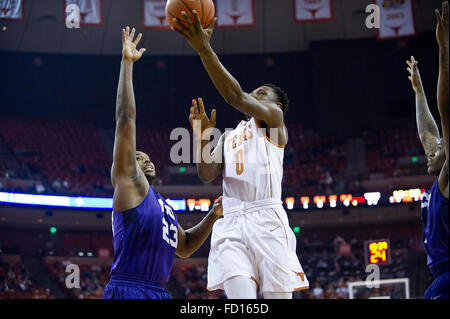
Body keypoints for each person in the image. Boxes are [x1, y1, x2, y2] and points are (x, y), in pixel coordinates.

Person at [174, 12, 309, 299]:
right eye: (255, 92)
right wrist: (201, 140)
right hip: (231, 221)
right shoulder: (228, 136)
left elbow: (234, 97)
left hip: (267, 217)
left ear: (277, 105)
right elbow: (207, 174)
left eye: (262, 93)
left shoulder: (273, 120)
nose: (255, 95)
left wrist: (203, 48)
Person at [103, 26, 223, 299]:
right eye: (137, 157)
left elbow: (186, 246)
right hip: (128, 288)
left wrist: (213, 216)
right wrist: (127, 64)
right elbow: (125, 118)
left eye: (147, 157)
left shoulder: (163, 206)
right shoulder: (128, 182)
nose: (145, 159)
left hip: (159, 292)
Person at [407, 1, 449, 299]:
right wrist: (419, 92)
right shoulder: (439, 176)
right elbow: (427, 134)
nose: (430, 153)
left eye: (438, 151)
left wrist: (444, 51)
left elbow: (446, 110)